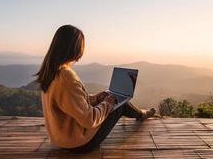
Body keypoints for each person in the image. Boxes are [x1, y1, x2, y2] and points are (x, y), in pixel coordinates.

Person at [35, 25, 156, 153]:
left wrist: (96, 98)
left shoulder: (52, 72)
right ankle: (142, 115)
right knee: (120, 103)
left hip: (61, 139)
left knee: (114, 99)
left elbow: (71, 103)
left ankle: (141, 114)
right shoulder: (66, 77)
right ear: (75, 48)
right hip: (79, 143)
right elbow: (89, 120)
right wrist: (108, 103)